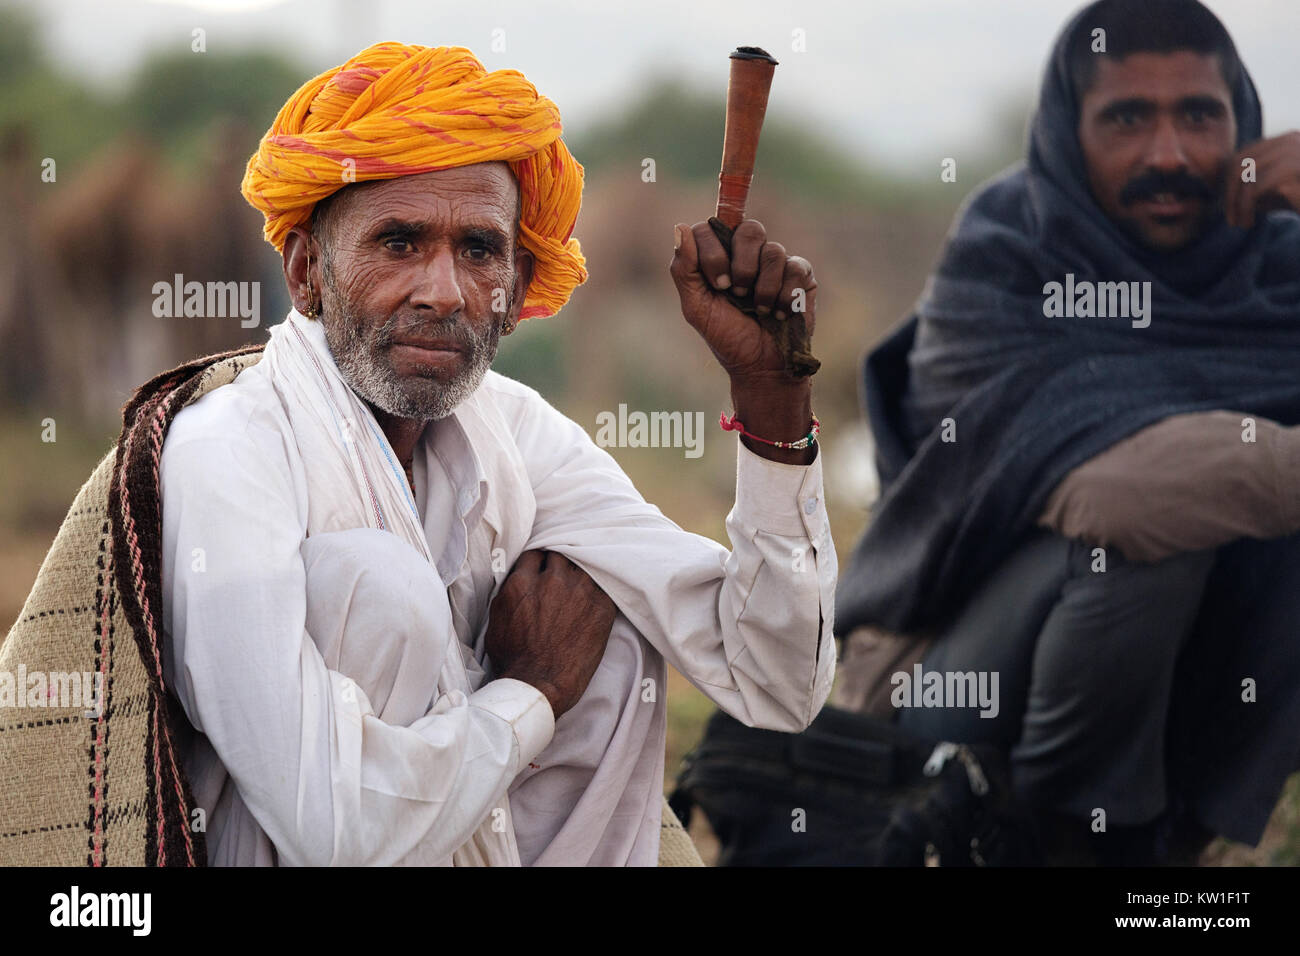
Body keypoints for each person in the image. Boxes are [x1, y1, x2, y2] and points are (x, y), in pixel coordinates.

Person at [0, 42, 835, 867]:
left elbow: (776, 680)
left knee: (610, 628)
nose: (443, 292)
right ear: (305, 274)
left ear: (514, 292)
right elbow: (329, 830)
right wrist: (531, 694)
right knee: (382, 591)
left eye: (478, 251)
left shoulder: (519, 432)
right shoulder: (231, 452)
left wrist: (771, 401)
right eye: (399, 243)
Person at [833, 0, 1300, 865]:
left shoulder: (1278, 261)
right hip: (937, 710)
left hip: (1160, 724)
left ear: (1243, 124)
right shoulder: (1008, 255)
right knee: (1144, 538)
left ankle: (1152, 854)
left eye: (1199, 115)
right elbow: (1130, 493)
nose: (1169, 155)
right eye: (1127, 118)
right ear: (1064, 130)